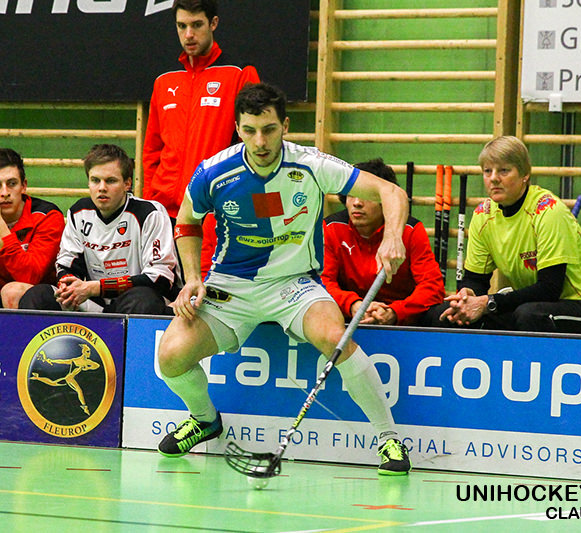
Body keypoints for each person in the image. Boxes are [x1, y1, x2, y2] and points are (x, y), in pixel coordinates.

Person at [155, 82, 411, 475]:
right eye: (250, 130)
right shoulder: (214, 173)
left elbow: (390, 192)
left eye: (269, 129)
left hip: (295, 283)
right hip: (231, 287)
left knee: (337, 338)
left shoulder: (311, 165)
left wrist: (393, 236)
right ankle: (204, 419)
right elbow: (187, 222)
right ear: (237, 128)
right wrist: (191, 278)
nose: (260, 141)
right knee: (170, 356)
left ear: (285, 126)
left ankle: (388, 439)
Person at [436, 136, 581, 333]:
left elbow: (549, 289)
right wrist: (468, 295)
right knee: (446, 315)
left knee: (529, 315)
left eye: (504, 170)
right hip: (532, 305)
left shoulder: (549, 211)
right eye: (487, 171)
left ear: (525, 174)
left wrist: (489, 302)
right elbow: (476, 279)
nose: (494, 178)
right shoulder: (483, 215)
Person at [143, 0, 260, 279]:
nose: (189, 35)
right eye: (181, 26)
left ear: (213, 23)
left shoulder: (239, 73)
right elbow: (152, 151)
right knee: (163, 293)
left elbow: (256, 147)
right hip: (166, 214)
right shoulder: (164, 80)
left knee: (206, 292)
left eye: (197, 25)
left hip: (213, 213)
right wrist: (150, 206)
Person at [19, 144, 180, 315]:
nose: (102, 187)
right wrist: (69, 286)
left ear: (127, 183)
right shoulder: (78, 213)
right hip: (96, 304)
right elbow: (67, 264)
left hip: (140, 302)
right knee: (38, 295)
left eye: (110, 181)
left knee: (142, 299)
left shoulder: (150, 213)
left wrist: (95, 288)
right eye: (95, 180)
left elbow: (159, 278)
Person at [322, 158, 445, 326]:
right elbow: (323, 282)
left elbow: (433, 287)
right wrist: (353, 305)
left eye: (366, 196)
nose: (357, 203)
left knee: (442, 314)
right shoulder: (331, 227)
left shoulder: (411, 230)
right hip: (348, 314)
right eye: (351, 195)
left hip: (400, 319)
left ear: (386, 201)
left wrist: (395, 312)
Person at [0, 148, 65, 309]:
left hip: (44, 300)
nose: (4, 193)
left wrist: (3, 231)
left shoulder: (47, 216)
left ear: (24, 186)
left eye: (12, 184)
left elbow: (30, 276)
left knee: (12, 292)